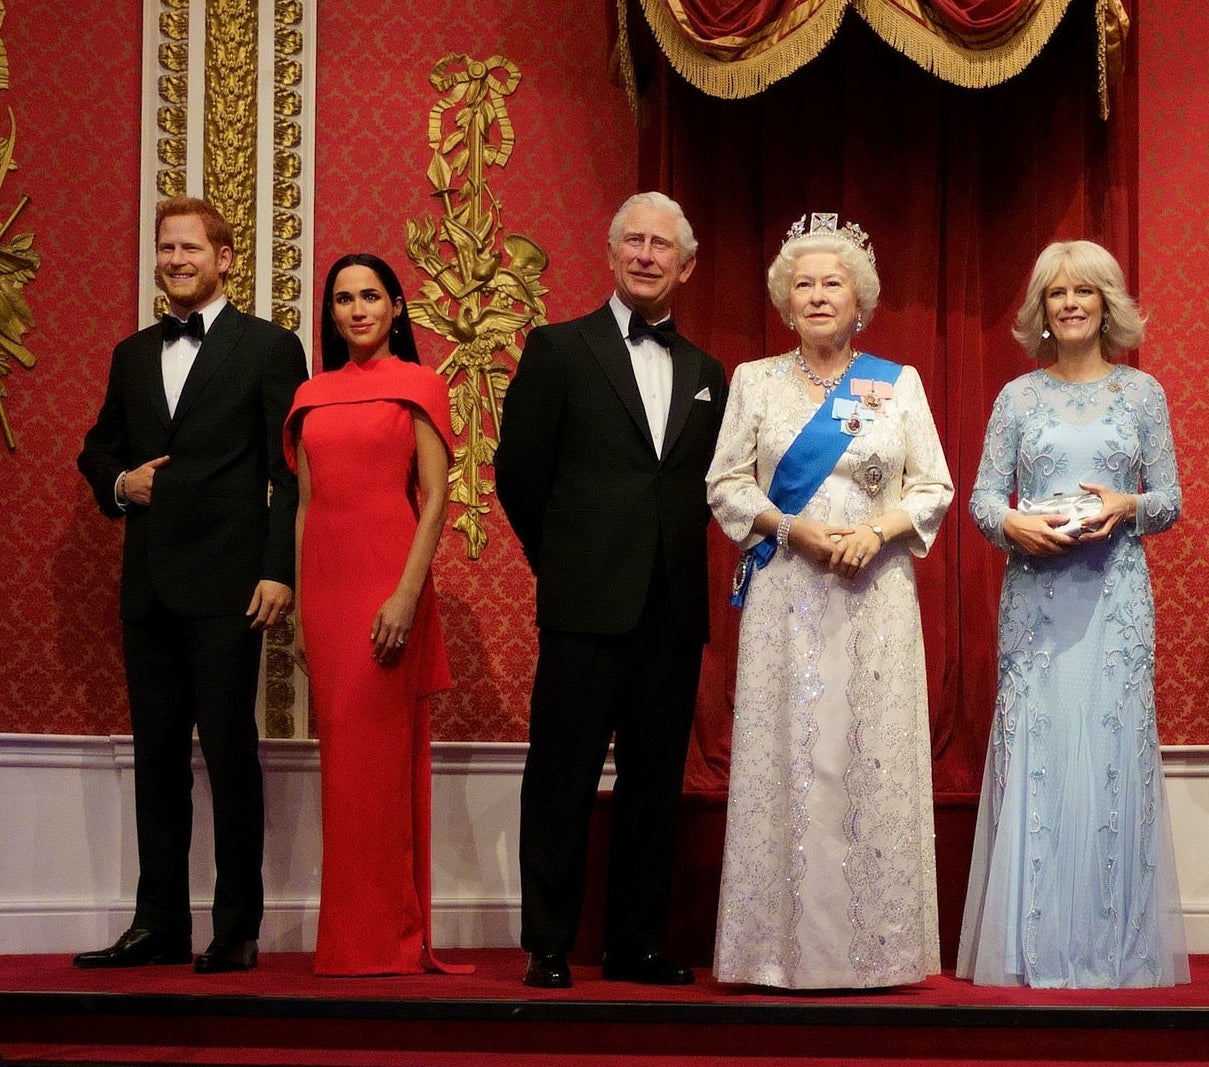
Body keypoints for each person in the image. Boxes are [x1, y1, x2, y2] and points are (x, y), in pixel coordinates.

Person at [706, 214, 952, 989]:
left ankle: (878, 951)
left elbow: (933, 485)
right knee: (790, 752)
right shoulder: (754, 380)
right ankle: (776, 953)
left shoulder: (894, 382)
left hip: (873, 593)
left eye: (831, 282)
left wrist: (876, 531)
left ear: (859, 300)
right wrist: (789, 527)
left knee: (867, 756)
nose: (817, 295)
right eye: (803, 284)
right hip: (788, 590)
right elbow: (725, 483)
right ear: (786, 299)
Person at [496, 192, 728, 990]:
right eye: (632, 239)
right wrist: (562, 561)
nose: (645, 253)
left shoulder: (706, 372)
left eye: (662, 244)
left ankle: (637, 942)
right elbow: (518, 476)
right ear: (609, 252)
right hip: (583, 603)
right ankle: (549, 942)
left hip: (672, 609)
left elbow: (707, 488)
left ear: (685, 264)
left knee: (654, 784)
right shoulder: (557, 349)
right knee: (560, 775)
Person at [75, 197, 307, 974]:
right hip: (147, 588)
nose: (176, 260)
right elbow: (97, 450)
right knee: (157, 756)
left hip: (230, 584)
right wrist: (121, 483)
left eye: (190, 248)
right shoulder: (132, 353)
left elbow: (290, 473)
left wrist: (280, 568)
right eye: (166, 248)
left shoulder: (272, 347)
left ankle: (236, 925)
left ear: (225, 257)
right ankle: (158, 923)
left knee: (230, 752)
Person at [956, 240, 1189, 988]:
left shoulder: (1141, 393)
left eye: (1083, 291)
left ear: (1106, 302)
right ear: (1041, 310)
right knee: (1043, 754)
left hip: (1115, 597)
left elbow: (1170, 501)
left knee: (1111, 751)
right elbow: (983, 500)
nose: (1069, 303)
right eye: (1055, 293)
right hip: (1036, 598)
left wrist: (1126, 505)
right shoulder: (1016, 398)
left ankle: (1111, 948)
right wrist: (1013, 525)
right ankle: (1032, 950)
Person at [285, 253, 469, 977]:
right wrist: (301, 608)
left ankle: (386, 939)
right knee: (344, 768)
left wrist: (404, 594)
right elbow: (303, 506)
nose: (357, 309)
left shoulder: (420, 385)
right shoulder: (309, 393)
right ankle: (350, 938)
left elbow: (434, 501)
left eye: (370, 296)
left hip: (388, 583)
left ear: (395, 306)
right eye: (343, 300)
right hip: (326, 595)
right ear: (330, 315)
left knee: (377, 767)